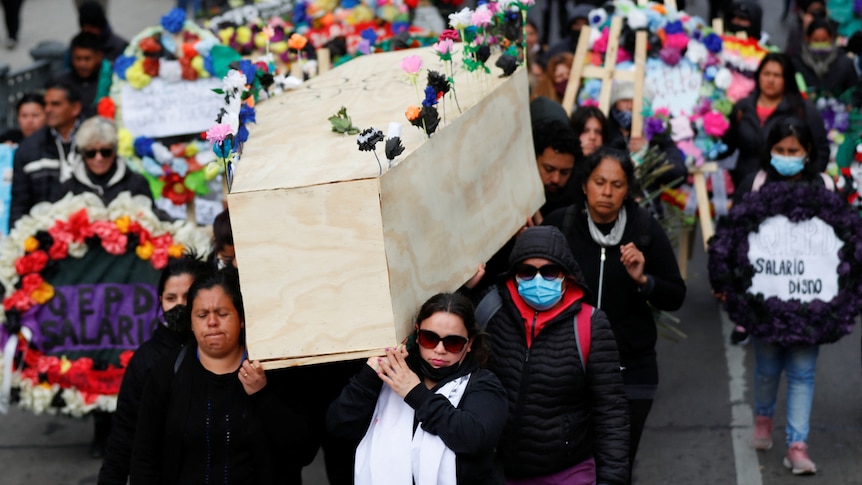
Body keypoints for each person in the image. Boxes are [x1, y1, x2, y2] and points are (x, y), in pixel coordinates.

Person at [544, 147, 687, 481]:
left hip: (631, 370)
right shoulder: (560, 226)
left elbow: (675, 295)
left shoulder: (645, 229)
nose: (607, 192)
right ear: (584, 185)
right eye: (599, 182)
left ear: (628, 190)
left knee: (618, 465)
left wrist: (644, 280)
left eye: (617, 185)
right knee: (576, 462)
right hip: (571, 369)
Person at [470, 225, 629, 484]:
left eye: (549, 271)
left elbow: (610, 410)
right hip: (497, 471)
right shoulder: (489, 308)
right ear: (514, 274)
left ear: (566, 275)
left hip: (568, 472)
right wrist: (467, 291)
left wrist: (612, 479)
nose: (538, 280)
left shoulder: (591, 324)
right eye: (527, 271)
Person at [131, 268, 317, 484]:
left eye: (222, 313)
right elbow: (144, 457)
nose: (212, 322)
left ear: (242, 319)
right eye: (202, 315)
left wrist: (263, 396)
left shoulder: (273, 370)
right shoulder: (168, 372)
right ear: (191, 322)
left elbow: (304, 451)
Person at [721, 119, 829, 475]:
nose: (785, 157)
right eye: (780, 151)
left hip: (808, 302)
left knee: (802, 372)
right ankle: (763, 419)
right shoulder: (758, 182)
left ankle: (797, 446)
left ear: (807, 152)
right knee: (767, 369)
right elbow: (736, 233)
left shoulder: (824, 186)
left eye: (793, 151)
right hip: (765, 302)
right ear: (770, 151)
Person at [326, 292, 508, 484]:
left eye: (453, 342)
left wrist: (415, 394)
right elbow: (339, 427)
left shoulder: (483, 384)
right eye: (430, 338)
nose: (439, 349)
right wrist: (368, 377)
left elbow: (474, 438)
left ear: (469, 343)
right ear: (417, 334)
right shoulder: (390, 374)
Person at [98, 254, 212, 483]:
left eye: (188, 296)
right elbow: (124, 434)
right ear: (160, 300)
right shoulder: (146, 360)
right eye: (171, 298)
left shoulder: (224, 353)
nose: (179, 305)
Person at [723, 52, 829, 188]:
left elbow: (821, 150)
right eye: (766, 74)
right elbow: (728, 147)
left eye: (777, 75)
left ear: (787, 78)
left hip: (794, 186)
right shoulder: (742, 107)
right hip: (747, 183)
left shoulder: (803, 109)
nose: (770, 80)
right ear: (758, 76)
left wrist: (809, 183)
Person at [9, 81, 82, 230]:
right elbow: (19, 203)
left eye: (55, 104)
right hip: (45, 233)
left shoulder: (95, 141)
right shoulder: (28, 148)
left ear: (75, 108)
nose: (48, 109)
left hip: (88, 228)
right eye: (46, 104)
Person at [55, 116, 151, 205]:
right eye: (91, 153)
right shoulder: (69, 189)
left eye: (105, 152)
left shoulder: (136, 183)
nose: (99, 158)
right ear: (83, 155)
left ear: (114, 152)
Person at [791, 16, 858, 97]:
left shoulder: (845, 63)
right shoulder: (796, 63)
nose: (820, 44)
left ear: (831, 38)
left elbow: (854, 92)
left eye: (824, 40)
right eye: (816, 40)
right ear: (807, 38)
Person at [57, 32, 110, 119]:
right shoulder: (60, 84)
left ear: (99, 56)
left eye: (87, 59)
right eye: (78, 58)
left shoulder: (111, 81)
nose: (82, 64)